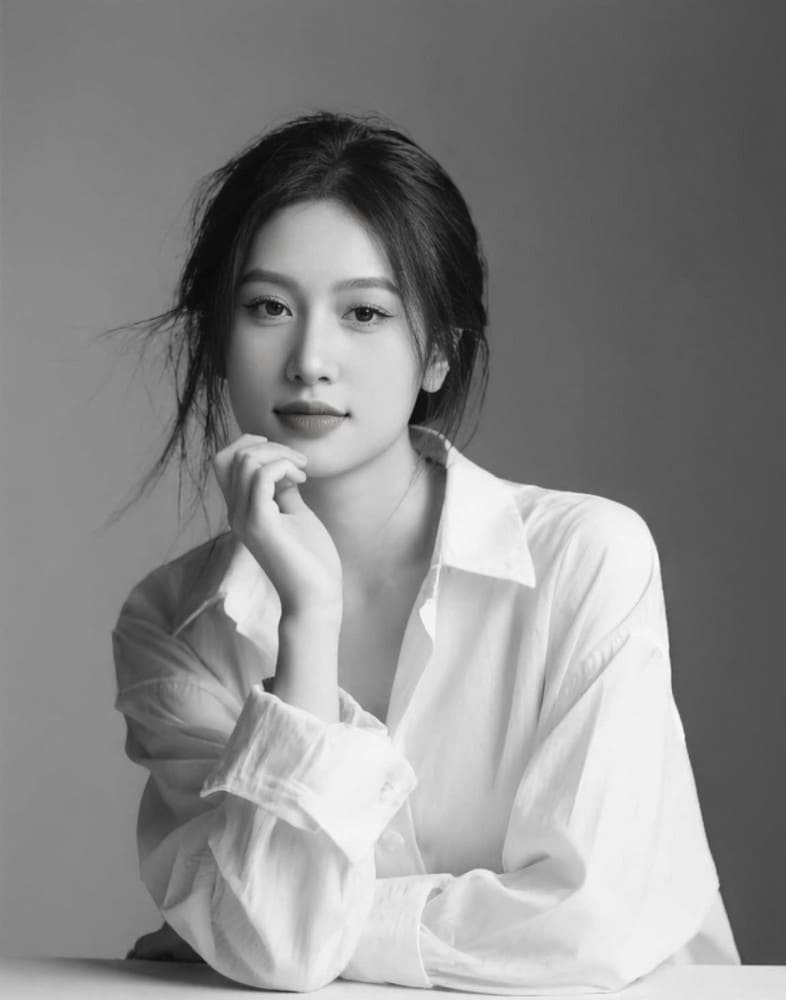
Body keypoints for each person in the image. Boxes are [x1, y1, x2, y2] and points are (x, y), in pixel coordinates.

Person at [112, 110, 739, 993]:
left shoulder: (587, 559)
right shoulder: (173, 625)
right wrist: (309, 619)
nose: (310, 359)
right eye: (267, 307)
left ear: (439, 352)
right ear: (218, 339)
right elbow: (279, 953)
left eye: (364, 312)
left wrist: (297, 927)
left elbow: (585, 928)